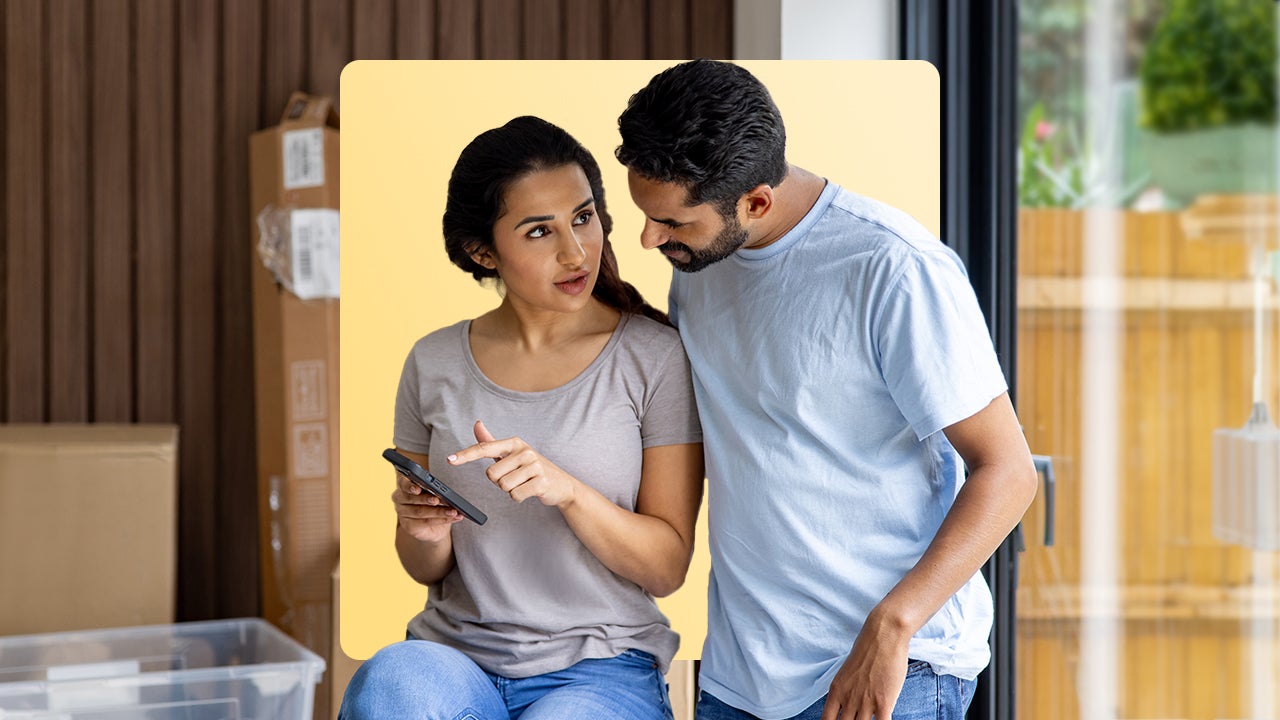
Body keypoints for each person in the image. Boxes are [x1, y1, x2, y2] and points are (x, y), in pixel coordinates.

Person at [615, 60, 1039, 720]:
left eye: (671, 223)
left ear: (756, 201)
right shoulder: (700, 262)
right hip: (741, 678)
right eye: (645, 215)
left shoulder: (893, 268)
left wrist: (894, 625)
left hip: (885, 666)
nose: (649, 238)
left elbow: (1008, 472)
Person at [340, 115, 704, 720]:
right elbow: (422, 567)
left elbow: (667, 567)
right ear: (483, 251)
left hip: (602, 670)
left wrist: (567, 492)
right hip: (457, 658)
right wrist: (423, 531)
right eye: (539, 231)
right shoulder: (432, 362)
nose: (575, 251)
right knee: (391, 684)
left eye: (583, 218)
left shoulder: (654, 357)